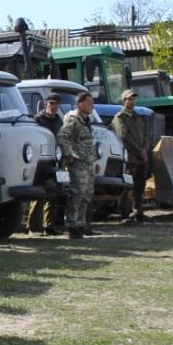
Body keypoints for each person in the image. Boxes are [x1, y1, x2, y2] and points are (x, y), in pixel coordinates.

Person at [57, 90, 100, 239]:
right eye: (89, 103)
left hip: (88, 164)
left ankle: (81, 225)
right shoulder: (73, 119)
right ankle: (71, 226)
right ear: (80, 104)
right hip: (78, 164)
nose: (92, 106)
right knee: (76, 195)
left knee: (86, 196)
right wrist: (69, 155)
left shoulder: (86, 120)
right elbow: (62, 136)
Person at [110, 88, 151, 221]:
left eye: (133, 99)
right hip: (128, 158)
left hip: (140, 157)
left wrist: (144, 149)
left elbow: (146, 134)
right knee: (127, 187)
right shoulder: (119, 117)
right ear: (124, 101)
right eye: (129, 99)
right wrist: (140, 151)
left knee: (140, 187)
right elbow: (124, 137)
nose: (132, 101)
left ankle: (138, 212)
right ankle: (124, 213)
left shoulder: (138, 117)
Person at [27, 94, 66, 235]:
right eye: (51, 103)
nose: (54, 106)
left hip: (56, 160)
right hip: (41, 161)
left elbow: (62, 139)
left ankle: (49, 225)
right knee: (39, 193)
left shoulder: (58, 120)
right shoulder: (38, 120)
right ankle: (33, 227)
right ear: (45, 104)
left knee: (54, 192)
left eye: (56, 103)